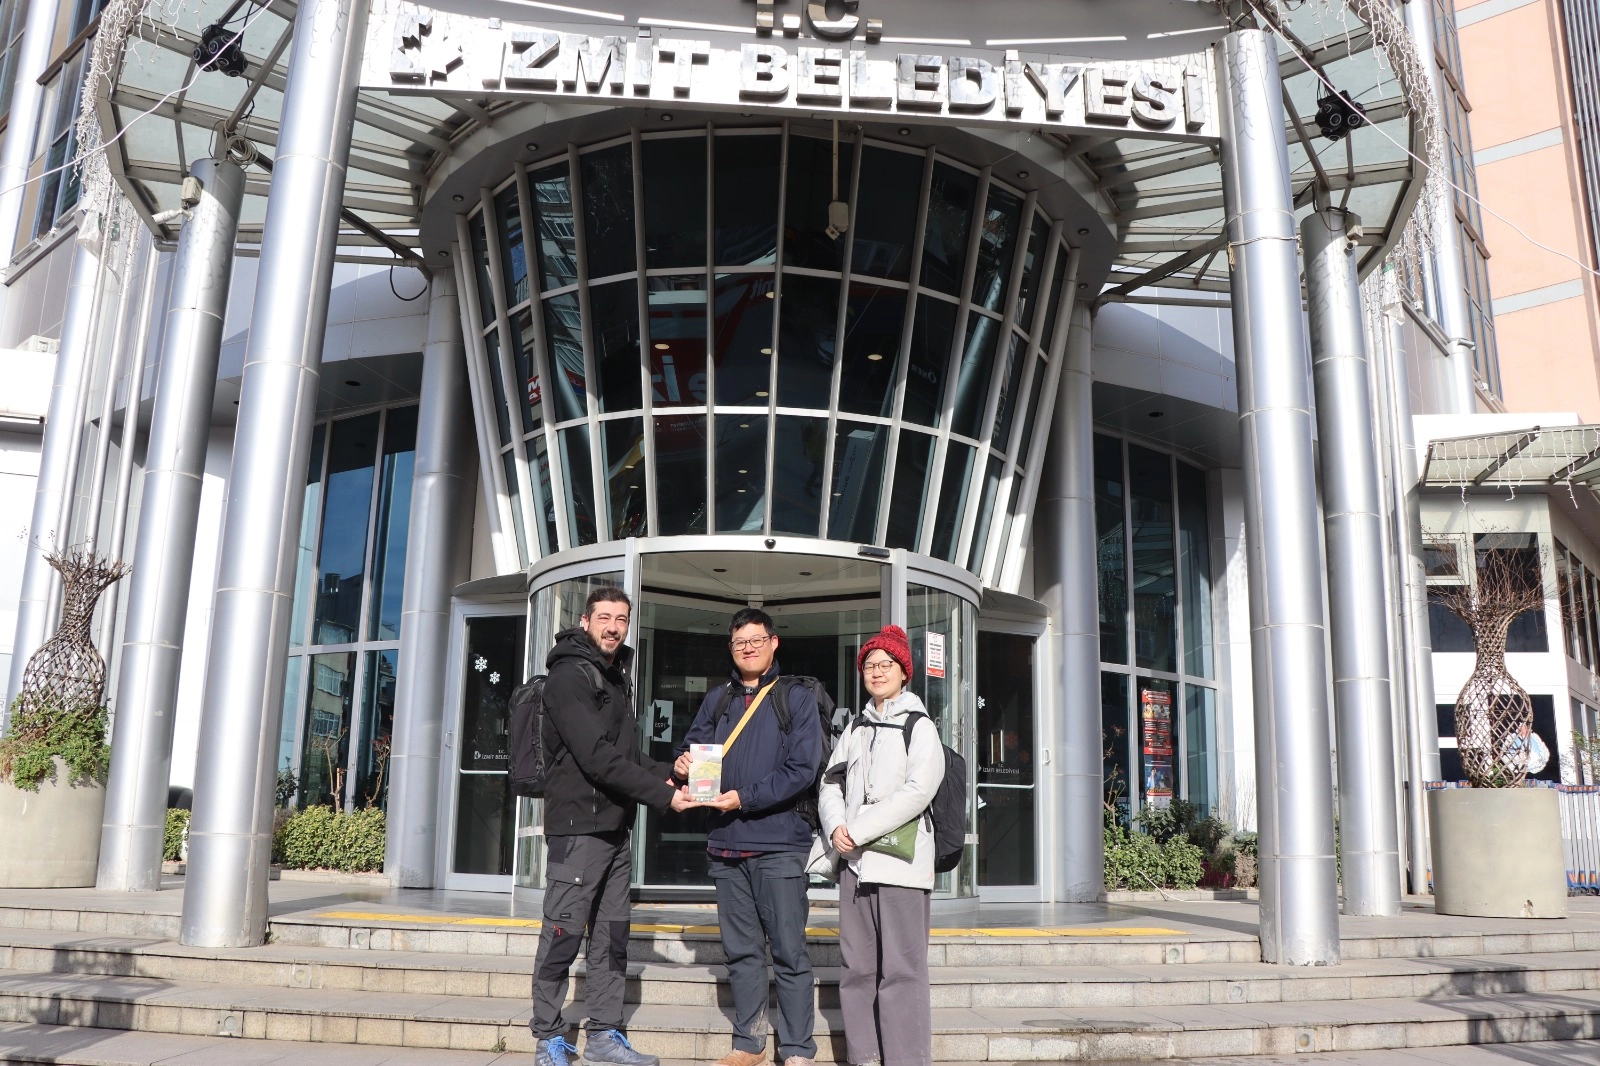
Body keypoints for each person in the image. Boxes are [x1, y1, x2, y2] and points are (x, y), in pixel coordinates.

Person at [531, 587, 698, 1066]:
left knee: (611, 937)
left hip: (613, 830)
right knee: (563, 935)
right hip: (577, 832)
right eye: (604, 617)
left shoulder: (613, 675)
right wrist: (664, 797)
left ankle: (604, 1035)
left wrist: (668, 772)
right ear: (585, 621)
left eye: (621, 619)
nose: (613, 627)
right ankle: (548, 1038)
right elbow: (596, 759)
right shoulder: (569, 676)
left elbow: (624, 755)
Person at [672, 607, 824, 1066]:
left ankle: (797, 1050)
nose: (749, 648)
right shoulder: (718, 699)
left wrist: (745, 798)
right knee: (741, 952)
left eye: (757, 640)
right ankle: (749, 1043)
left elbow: (802, 769)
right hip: (725, 844)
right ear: (731, 648)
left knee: (790, 951)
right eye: (740, 642)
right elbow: (694, 750)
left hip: (780, 844)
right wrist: (682, 763)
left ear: (774, 643)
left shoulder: (796, 696)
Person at [818, 624, 944, 1066]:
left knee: (903, 971)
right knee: (856, 969)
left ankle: (906, 1059)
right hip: (856, 865)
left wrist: (860, 828)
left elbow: (919, 791)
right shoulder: (856, 726)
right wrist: (836, 826)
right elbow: (830, 782)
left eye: (886, 664)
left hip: (901, 865)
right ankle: (865, 1056)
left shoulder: (919, 726)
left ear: (904, 671)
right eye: (870, 664)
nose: (876, 671)